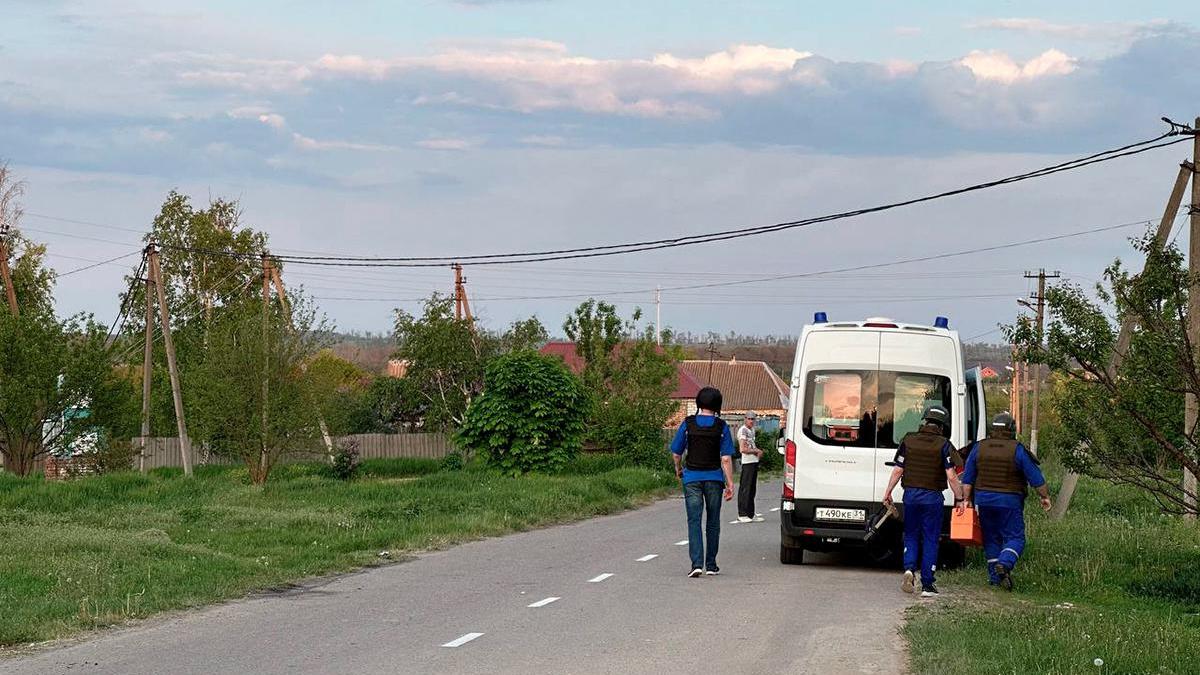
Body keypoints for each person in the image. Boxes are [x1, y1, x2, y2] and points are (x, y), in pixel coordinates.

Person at [960, 412, 1052, 591]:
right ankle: (1005, 563)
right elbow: (1036, 478)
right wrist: (1044, 496)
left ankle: (995, 577)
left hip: (984, 500)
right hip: (1010, 501)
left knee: (991, 538)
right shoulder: (1017, 449)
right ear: (1011, 430)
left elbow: (968, 479)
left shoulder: (979, 448)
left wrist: (966, 500)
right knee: (1016, 538)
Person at [881, 406, 963, 598]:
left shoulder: (908, 440)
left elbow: (898, 470)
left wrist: (888, 491)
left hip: (910, 496)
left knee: (910, 534)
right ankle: (927, 584)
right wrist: (960, 498)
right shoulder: (943, 444)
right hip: (932, 498)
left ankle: (909, 569)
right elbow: (951, 477)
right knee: (931, 539)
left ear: (925, 421)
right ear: (941, 426)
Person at [670, 386, 736, 578]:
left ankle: (696, 564)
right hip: (714, 478)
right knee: (713, 522)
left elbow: (676, 452)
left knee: (694, 520)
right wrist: (730, 483)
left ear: (699, 403)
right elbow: (725, 458)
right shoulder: (721, 426)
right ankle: (712, 565)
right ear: (717, 405)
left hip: (691, 478)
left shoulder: (688, 424)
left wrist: (678, 469)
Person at [736, 411, 765, 523]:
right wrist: (756, 451)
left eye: (753, 419)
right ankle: (742, 513)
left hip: (753, 461)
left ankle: (750, 513)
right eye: (749, 419)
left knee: (752, 488)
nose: (751, 421)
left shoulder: (751, 430)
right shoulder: (743, 430)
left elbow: (751, 444)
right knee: (745, 488)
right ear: (745, 419)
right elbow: (743, 449)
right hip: (747, 462)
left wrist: (757, 452)